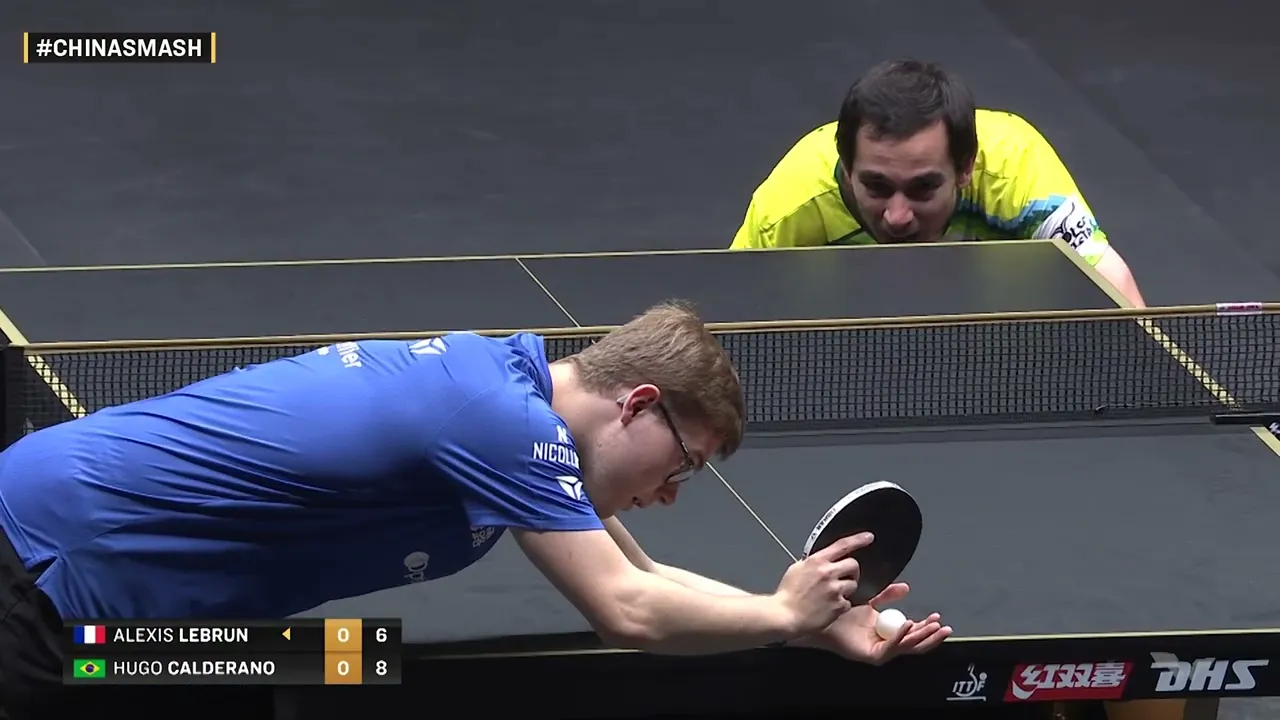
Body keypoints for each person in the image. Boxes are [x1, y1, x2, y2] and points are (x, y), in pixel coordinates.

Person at [0, 300, 951, 719]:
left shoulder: (509, 393)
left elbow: (649, 576)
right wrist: (780, 613)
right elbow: (626, 611)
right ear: (638, 404)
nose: (668, 494)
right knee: (340, 665)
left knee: (343, 664)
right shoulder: (503, 425)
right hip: (45, 576)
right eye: (683, 465)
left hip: (151, 615)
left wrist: (800, 625)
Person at [730, 59, 1148, 309]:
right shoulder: (792, 204)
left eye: (922, 189)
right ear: (847, 165)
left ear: (965, 167)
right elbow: (726, 320)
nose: (897, 216)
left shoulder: (1014, 169)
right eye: (876, 187)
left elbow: (1110, 282)